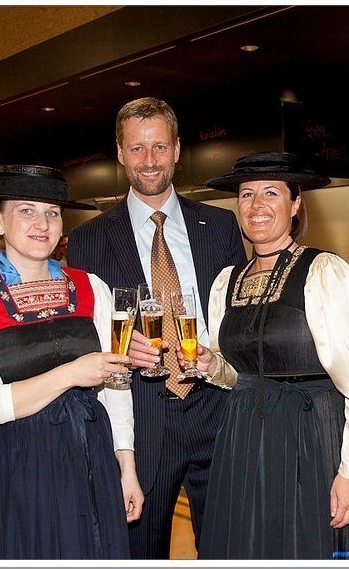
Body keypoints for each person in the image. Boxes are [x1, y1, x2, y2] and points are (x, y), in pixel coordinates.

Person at [0, 164, 144, 559]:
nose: (42, 224)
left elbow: (115, 385)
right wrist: (70, 374)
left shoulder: (91, 288)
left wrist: (126, 465)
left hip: (92, 454)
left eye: (52, 212)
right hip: (17, 462)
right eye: (26, 211)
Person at [67, 97, 246, 559]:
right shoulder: (88, 240)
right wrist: (120, 349)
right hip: (139, 418)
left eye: (160, 147)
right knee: (140, 551)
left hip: (216, 410)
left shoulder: (220, 226)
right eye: (137, 148)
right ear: (120, 153)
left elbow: (237, 320)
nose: (149, 160)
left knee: (229, 548)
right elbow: (83, 337)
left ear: (178, 149)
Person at [190, 152, 349, 559]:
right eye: (246, 194)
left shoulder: (325, 272)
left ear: (295, 204)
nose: (256, 205)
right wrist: (212, 365)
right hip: (243, 437)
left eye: (271, 193)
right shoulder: (227, 280)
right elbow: (237, 372)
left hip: (308, 437)